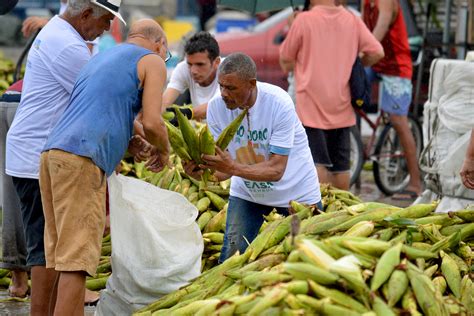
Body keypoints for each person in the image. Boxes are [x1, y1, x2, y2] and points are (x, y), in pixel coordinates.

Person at [39, 18, 170, 315]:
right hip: (82, 160)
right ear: (159, 44)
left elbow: (100, 108)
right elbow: (152, 122)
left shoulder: (102, 58)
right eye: (166, 54)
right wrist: (164, 151)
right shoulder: (153, 61)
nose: (164, 59)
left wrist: (128, 140)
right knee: (77, 261)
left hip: (52, 155)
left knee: (59, 258)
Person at [5, 0, 122, 313]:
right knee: (47, 248)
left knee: (51, 245)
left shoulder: (62, 33)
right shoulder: (67, 46)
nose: (106, 29)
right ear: (85, 15)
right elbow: (98, 96)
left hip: (37, 150)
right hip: (37, 154)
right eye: (106, 20)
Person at [185, 52, 322, 262]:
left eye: (231, 88)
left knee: (305, 259)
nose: (223, 93)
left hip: (296, 193)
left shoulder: (278, 103)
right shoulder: (216, 108)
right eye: (221, 86)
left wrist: (232, 168)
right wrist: (198, 172)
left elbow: (276, 170)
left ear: (251, 84)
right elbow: (221, 171)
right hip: (248, 193)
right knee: (231, 258)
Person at [279, 0, 384, 190]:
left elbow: (286, 60)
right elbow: (377, 52)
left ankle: (320, 211)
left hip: (310, 106)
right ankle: (340, 211)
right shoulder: (352, 20)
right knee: (340, 168)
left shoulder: (304, 21)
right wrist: (355, 62)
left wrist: (303, 59)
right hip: (341, 107)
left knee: (316, 164)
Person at [362, 0, 422, 199]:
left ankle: (415, 183)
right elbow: (362, 29)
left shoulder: (387, 1)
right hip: (375, 62)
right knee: (346, 96)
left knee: (398, 121)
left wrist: (360, 51)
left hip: (396, 67)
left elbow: (376, 35)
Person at [0, 82, 29, 298]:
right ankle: (44, 279)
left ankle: (19, 279)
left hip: (8, 99)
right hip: (29, 107)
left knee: (10, 191)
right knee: (43, 194)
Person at [162, 31, 220, 120]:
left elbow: (218, 105)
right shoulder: (183, 68)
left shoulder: (227, 71)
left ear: (216, 62)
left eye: (200, 64)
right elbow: (165, 101)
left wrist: (187, 114)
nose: (193, 71)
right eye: (190, 64)